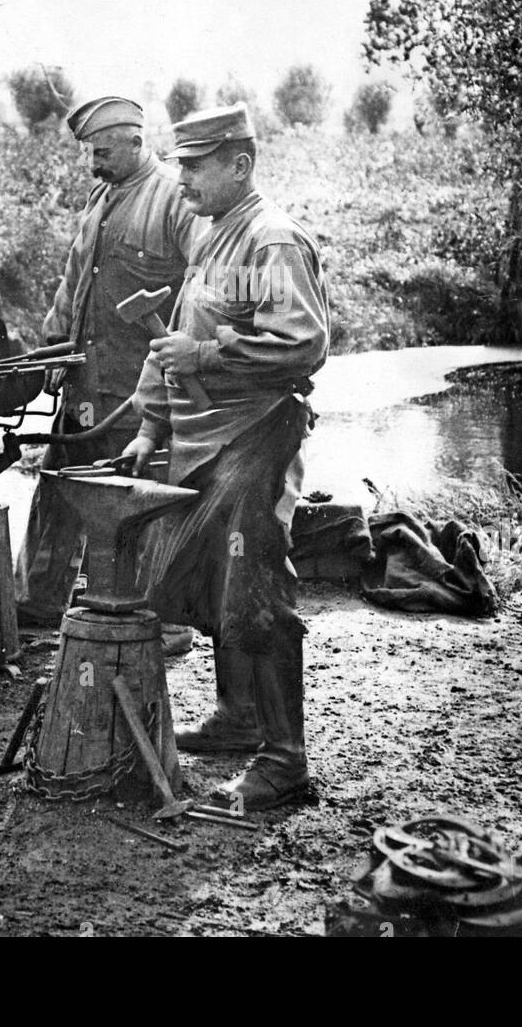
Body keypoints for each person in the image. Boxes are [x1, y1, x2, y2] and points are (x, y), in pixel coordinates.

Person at [121, 102, 330, 811]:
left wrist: (207, 355)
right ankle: (238, 718)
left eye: (194, 166)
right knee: (217, 576)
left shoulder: (272, 240)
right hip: (203, 437)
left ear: (239, 165)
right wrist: (151, 425)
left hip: (256, 434)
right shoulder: (212, 237)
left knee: (254, 587)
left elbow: (301, 343)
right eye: (178, 164)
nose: (181, 179)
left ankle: (285, 762)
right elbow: (175, 339)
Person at [14, 95, 200, 627]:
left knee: (136, 497)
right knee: (59, 484)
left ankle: (152, 621)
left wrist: (182, 361)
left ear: (137, 141)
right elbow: (74, 280)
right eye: (89, 154)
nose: (93, 165)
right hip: (84, 378)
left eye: (103, 153)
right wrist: (54, 344)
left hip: (137, 388)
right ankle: (36, 604)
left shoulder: (174, 198)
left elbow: (201, 286)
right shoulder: (102, 196)